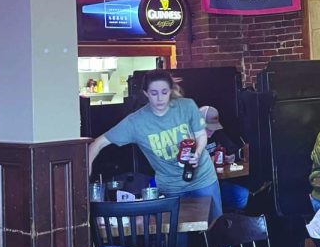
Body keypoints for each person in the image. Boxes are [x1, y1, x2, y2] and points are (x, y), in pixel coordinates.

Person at [88, 70, 221, 218]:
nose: (160, 98)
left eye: (164, 92)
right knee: (177, 237)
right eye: (154, 93)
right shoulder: (135, 122)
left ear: (170, 91)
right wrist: (85, 172)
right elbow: (97, 143)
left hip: (203, 178)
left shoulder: (187, 106)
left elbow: (201, 134)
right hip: (171, 185)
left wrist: (197, 153)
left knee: (216, 228)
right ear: (146, 93)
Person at [200, 105, 248, 211]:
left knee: (242, 195)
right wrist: (210, 161)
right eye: (208, 128)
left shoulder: (217, 133)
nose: (211, 131)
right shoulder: (190, 137)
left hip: (218, 182)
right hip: (199, 187)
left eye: (214, 127)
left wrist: (230, 157)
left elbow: (233, 149)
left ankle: (226, 221)